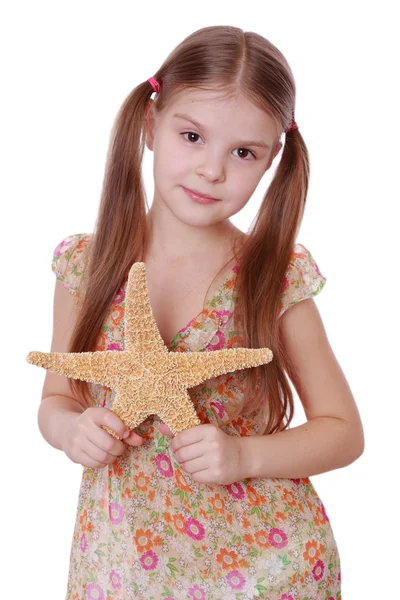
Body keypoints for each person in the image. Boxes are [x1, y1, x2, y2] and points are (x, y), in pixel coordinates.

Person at [37, 25, 364, 600]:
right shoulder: (88, 267)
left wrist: (245, 454)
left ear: (270, 162)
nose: (212, 169)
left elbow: (344, 433)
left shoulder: (272, 276)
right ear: (150, 126)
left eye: (242, 152)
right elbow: (56, 400)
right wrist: (71, 430)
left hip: (265, 569)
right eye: (192, 136)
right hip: (124, 565)